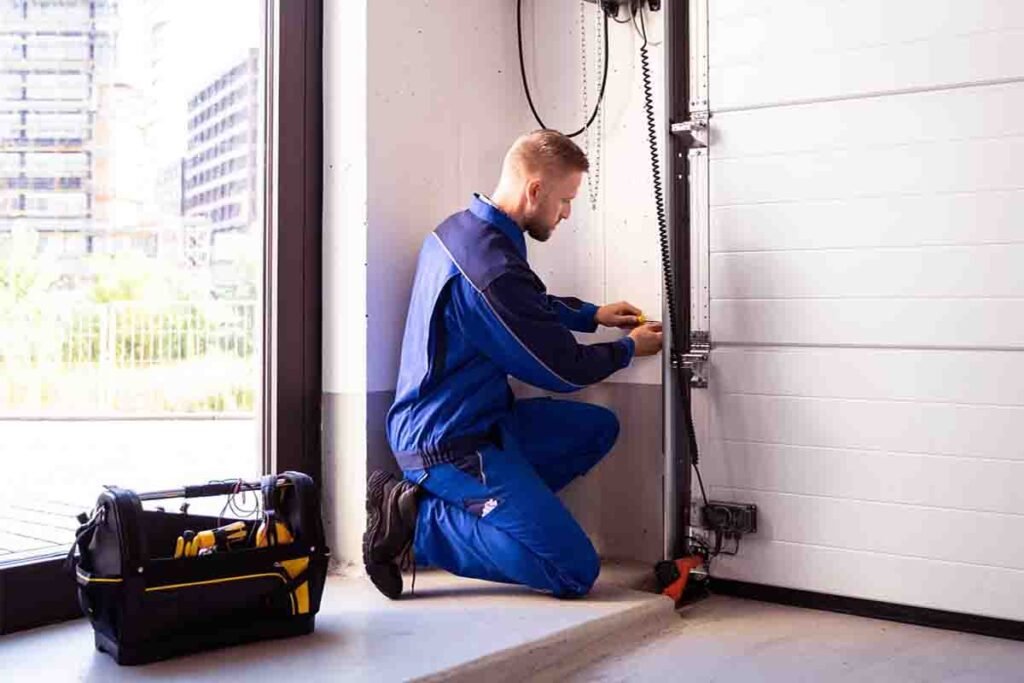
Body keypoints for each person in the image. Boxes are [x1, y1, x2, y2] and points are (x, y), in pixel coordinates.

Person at [363, 129, 664, 600]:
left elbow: (526, 304)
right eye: (565, 200)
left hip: (484, 421)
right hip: (446, 444)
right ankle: (416, 519)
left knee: (596, 428)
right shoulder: (489, 271)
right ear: (535, 190)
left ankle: (496, 517)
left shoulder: (463, 231)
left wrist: (591, 315)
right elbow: (562, 370)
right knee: (573, 570)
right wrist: (627, 349)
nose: (566, 213)